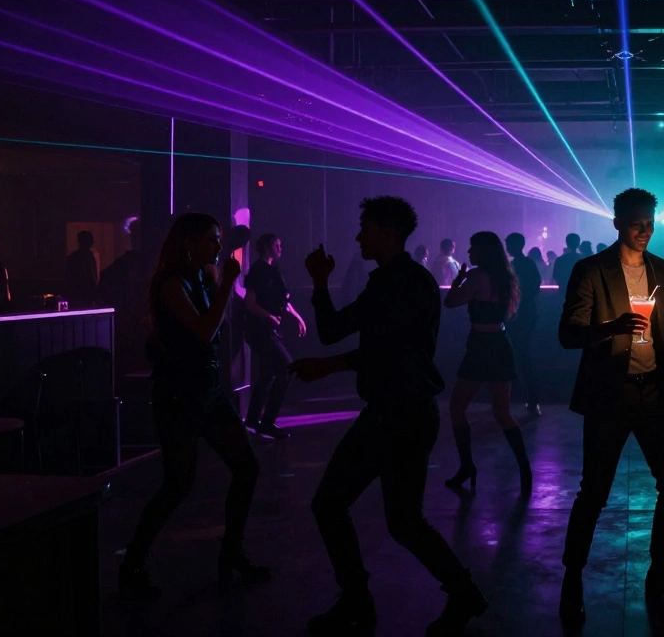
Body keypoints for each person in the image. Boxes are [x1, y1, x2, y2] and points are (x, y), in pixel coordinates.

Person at [288, 197, 486, 636]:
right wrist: (320, 286)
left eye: (365, 228)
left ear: (387, 233)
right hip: (404, 411)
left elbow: (383, 349)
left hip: (396, 413)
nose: (358, 236)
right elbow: (337, 332)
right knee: (402, 520)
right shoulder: (398, 282)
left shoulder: (401, 283)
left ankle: (360, 602)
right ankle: (461, 593)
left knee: (334, 505)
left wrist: (331, 361)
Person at [557, 188, 664, 625]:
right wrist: (612, 327)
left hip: (655, 392)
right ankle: (572, 578)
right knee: (595, 492)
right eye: (637, 223)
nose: (645, 230)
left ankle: (660, 572)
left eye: (650, 223)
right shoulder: (592, 270)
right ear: (618, 222)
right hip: (611, 395)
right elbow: (568, 334)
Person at [118, 213, 268, 600]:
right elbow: (203, 333)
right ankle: (131, 564)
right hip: (179, 395)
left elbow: (214, 326)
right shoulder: (170, 284)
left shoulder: (204, 276)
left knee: (246, 468)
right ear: (189, 242)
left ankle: (232, 553)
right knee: (177, 484)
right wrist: (227, 284)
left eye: (219, 239)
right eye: (211, 239)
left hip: (208, 390)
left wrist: (220, 281)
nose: (218, 247)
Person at [442, 232, 532, 495]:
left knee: (457, 407)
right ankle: (524, 467)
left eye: (473, 249)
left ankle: (467, 466)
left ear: (483, 252)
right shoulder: (505, 277)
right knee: (503, 413)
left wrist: (458, 281)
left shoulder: (476, 278)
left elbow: (450, 302)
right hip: (500, 343)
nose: (469, 254)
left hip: (481, 345)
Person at [242, 233, 307, 438]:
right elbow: (250, 304)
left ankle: (253, 419)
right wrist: (268, 316)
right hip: (259, 330)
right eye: (277, 244)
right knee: (286, 369)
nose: (280, 248)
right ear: (267, 246)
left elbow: (284, 301)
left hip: (268, 329)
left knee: (268, 373)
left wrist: (298, 318)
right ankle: (267, 422)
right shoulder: (258, 271)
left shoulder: (274, 271)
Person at [507, 233, 544, 416]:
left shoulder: (515, 265)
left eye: (508, 243)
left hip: (519, 314)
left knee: (520, 354)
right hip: (526, 313)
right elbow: (536, 284)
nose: (506, 246)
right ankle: (530, 398)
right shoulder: (527, 263)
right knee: (523, 354)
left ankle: (527, 397)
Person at [65, 230, 99, 309]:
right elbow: (92, 276)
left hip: (78, 294)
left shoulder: (73, 257)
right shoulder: (88, 256)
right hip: (82, 294)